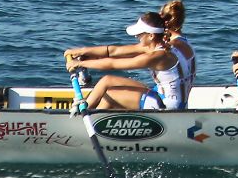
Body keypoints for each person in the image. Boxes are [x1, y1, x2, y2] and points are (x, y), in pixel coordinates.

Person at [63, 11, 196, 110]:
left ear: (150, 36)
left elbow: (113, 64)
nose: (137, 36)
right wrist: (80, 51)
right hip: (160, 93)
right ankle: (85, 112)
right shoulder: (158, 46)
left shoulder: (157, 57)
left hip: (168, 106)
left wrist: (80, 63)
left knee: (110, 95)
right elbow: (113, 51)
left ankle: (82, 123)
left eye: (140, 34)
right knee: (107, 80)